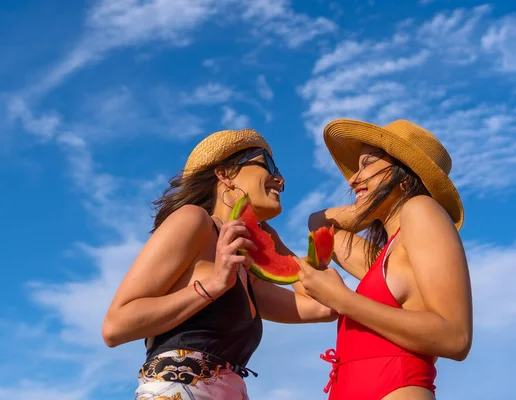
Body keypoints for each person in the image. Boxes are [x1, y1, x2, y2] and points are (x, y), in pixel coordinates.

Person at [101, 128, 337, 400]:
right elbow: (114, 327)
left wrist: (276, 246)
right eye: (267, 164)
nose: (279, 179)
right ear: (224, 174)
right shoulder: (193, 221)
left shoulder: (245, 269)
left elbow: (325, 305)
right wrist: (213, 285)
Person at [297, 119, 473, 400]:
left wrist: (342, 299)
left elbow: (457, 338)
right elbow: (319, 224)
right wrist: (366, 205)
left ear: (404, 174)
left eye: (366, 164)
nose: (353, 179)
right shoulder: (388, 257)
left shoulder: (421, 209)